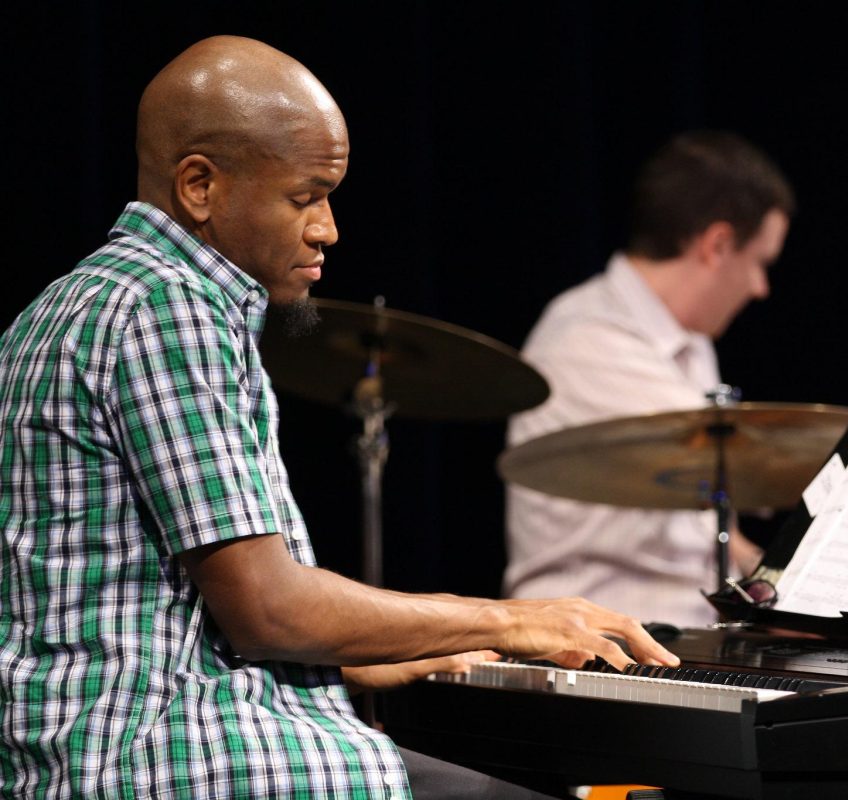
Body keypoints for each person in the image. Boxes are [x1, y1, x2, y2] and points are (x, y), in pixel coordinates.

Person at [0, 35, 676, 800]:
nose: (328, 228)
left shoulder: (67, 305)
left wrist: (352, 655)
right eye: (305, 197)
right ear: (199, 186)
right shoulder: (166, 310)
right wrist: (505, 620)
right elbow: (266, 609)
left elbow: (129, 597)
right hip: (169, 757)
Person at [504, 131, 795, 627]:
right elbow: (743, 466)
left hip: (681, 636)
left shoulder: (690, 341)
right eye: (760, 263)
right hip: (593, 645)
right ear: (718, 245)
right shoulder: (587, 336)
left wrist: (775, 578)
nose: (760, 288)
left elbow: (703, 518)